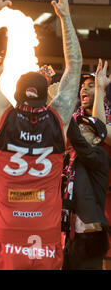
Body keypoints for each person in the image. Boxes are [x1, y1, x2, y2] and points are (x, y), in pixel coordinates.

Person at [0, 0, 82, 269]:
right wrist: (66, 18)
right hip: (44, 238)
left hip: (3, 233)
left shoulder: (4, 115)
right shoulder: (57, 117)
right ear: (47, 95)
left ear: (17, 92)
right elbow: (75, 66)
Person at [62, 115, 109, 269]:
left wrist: (66, 110)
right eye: (79, 127)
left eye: (85, 129)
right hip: (72, 235)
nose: (80, 130)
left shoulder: (99, 155)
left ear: (96, 140)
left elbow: (79, 141)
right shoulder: (71, 157)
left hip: (90, 238)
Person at [82, 59, 111, 270]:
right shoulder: (76, 118)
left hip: (107, 200)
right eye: (83, 85)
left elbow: (101, 131)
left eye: (90, 85)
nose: (84, 87)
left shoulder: (107, 117)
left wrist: (99, 89)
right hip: (83, 200)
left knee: (105, 258)